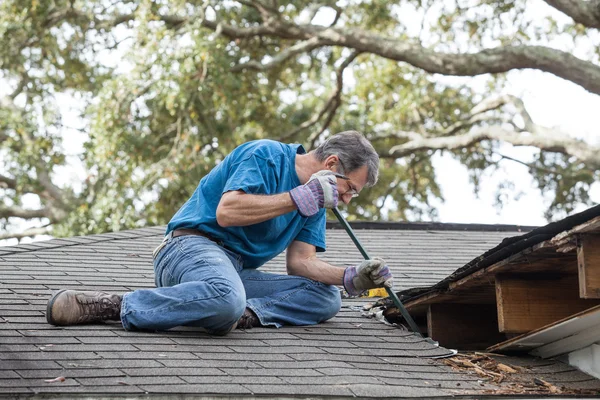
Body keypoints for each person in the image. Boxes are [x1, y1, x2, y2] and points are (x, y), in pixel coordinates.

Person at [46, 130, 393, 334]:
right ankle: (113, 305)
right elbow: (227, 213)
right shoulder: (266, 155)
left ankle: (232, 312)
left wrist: (352, 277)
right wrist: (297, 198)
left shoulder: (317, 201)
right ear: (331, 164)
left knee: (326, 297)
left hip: (235, 272)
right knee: (226, 295)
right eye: (350, 188)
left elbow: (301, 263)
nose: (346, 199)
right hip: (189, 249)